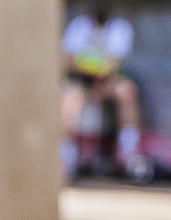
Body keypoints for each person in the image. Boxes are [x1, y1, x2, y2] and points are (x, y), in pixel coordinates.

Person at [60, 7, 148, 181]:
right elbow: (69, 60)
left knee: (126, 91)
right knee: (69, 100)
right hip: (82, 82)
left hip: (108, 81)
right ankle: (66, 159)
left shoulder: (120, 27)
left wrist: (100, 75)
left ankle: (128, 154)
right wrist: (92, 73)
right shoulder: (79, 25)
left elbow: (115, 62)